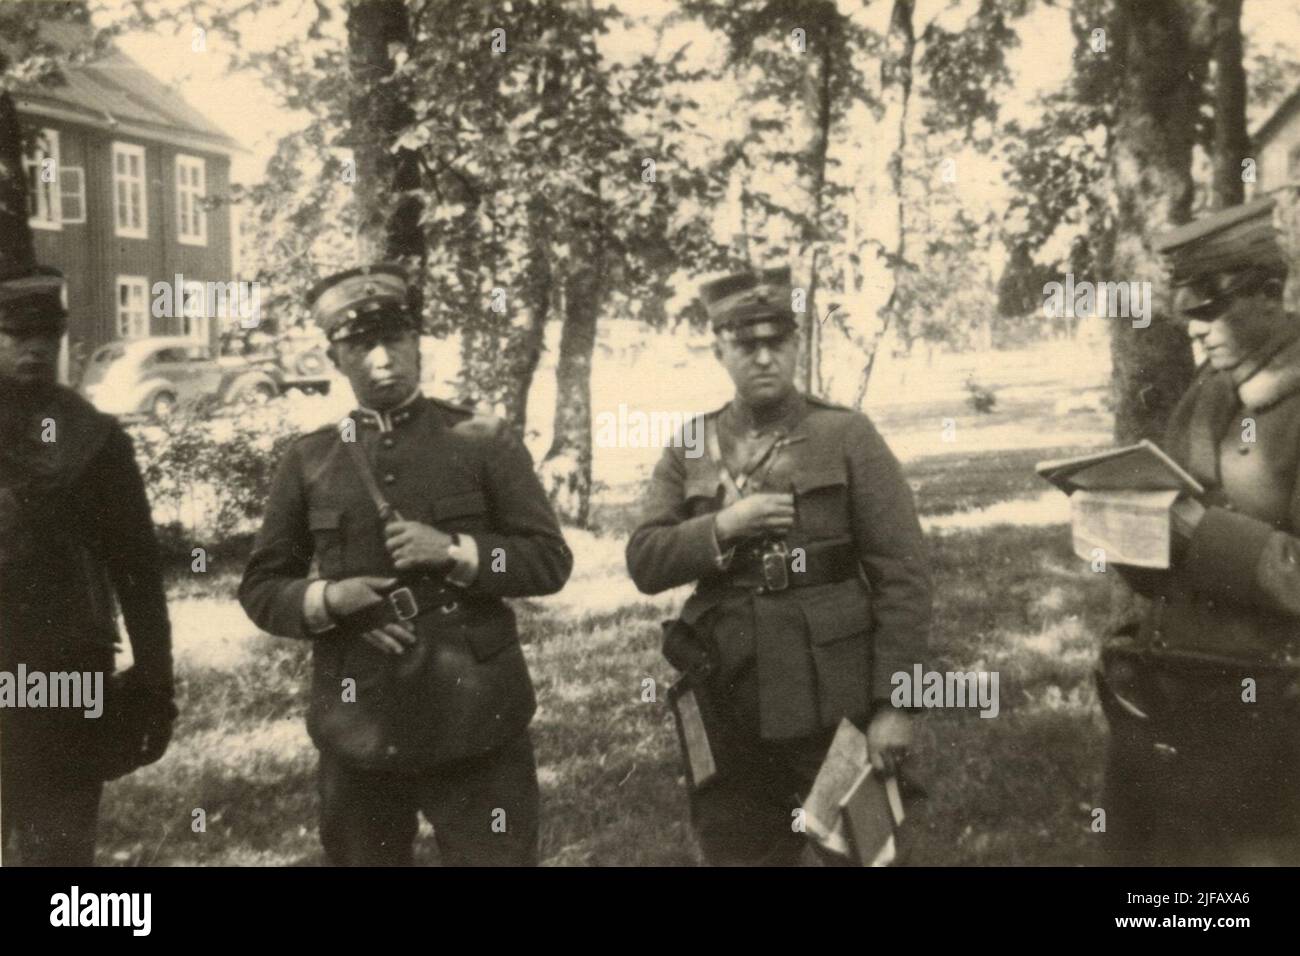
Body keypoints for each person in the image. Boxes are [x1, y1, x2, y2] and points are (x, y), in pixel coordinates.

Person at [239, 264, 572, 866]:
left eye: (394, 338)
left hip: (477, 723)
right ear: (335, 358)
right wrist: (329, 601)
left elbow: (548, 560)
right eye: (360, 344)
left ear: (418, 341)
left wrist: (454, 552)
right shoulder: (309, 460)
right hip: (360, 726)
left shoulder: (482, 439)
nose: (382, 357)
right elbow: (262, 587)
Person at [625, 267, 932, 865]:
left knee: (866, 853)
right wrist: (721, 527)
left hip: (832, 693)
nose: (763, 358)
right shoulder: (692, 443)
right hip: (726, 693)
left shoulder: (845, 434)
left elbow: (904, 574)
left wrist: (897, 704)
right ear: (719, 350)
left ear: (797, 345)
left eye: (777, 342)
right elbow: (644, 559)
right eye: (745, 345)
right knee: (739, 850)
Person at [1099, 196, 1300, 865]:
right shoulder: (1206, 393)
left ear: (1273, 294)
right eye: (1189, 314)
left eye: (1212, 310)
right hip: (1173, 699)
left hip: (1267, 724)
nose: (1196, 331)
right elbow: (1169, 547)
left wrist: (1198, 534)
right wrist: (1119, 531)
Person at [0, 265, 175, 866]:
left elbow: (138, 570)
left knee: (61, 854)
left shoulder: (95, 441)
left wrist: (156, 682)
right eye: (16, 335)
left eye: (46, 336)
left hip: (65, 678)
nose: (34, 349)